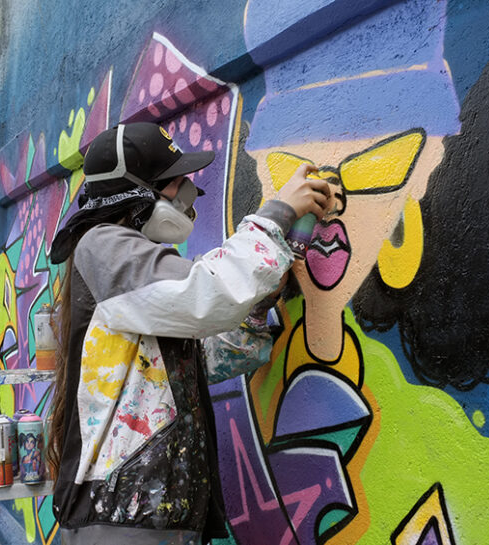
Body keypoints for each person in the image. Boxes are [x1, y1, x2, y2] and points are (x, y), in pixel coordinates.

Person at [46, 122, 330, 545]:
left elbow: (195, 363)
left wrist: (257, 307)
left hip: (150, 516)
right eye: (176, 182)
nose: (189, 194)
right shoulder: (101, 245)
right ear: (137, 192)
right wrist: (277, 214)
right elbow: (203, 294)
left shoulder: (134, 267)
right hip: (121, 519)